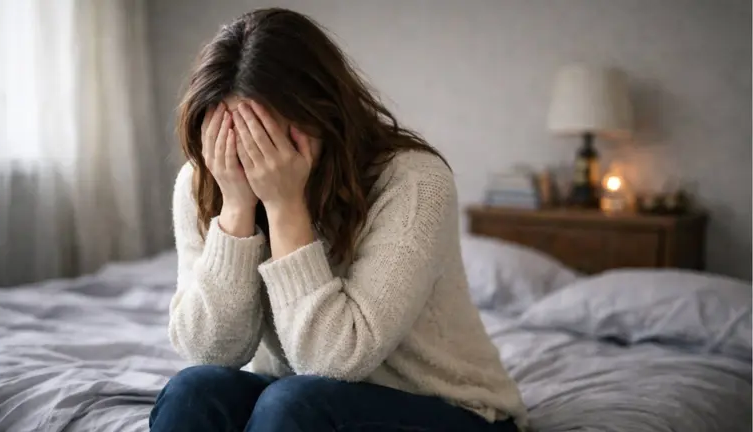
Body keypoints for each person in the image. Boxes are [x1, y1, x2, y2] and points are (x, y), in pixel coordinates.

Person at [150, 7, 527, 432]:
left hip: (450, 409)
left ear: (322, 114)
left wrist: (286, 207)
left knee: (294, 404)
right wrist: (235, 210)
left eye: (267, 135)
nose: (254, 155)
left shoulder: (416, 182)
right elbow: (212, 353)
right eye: (234, 133)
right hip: (303, 397)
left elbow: (335, 359)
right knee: (193, 391)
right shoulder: (207, 181)